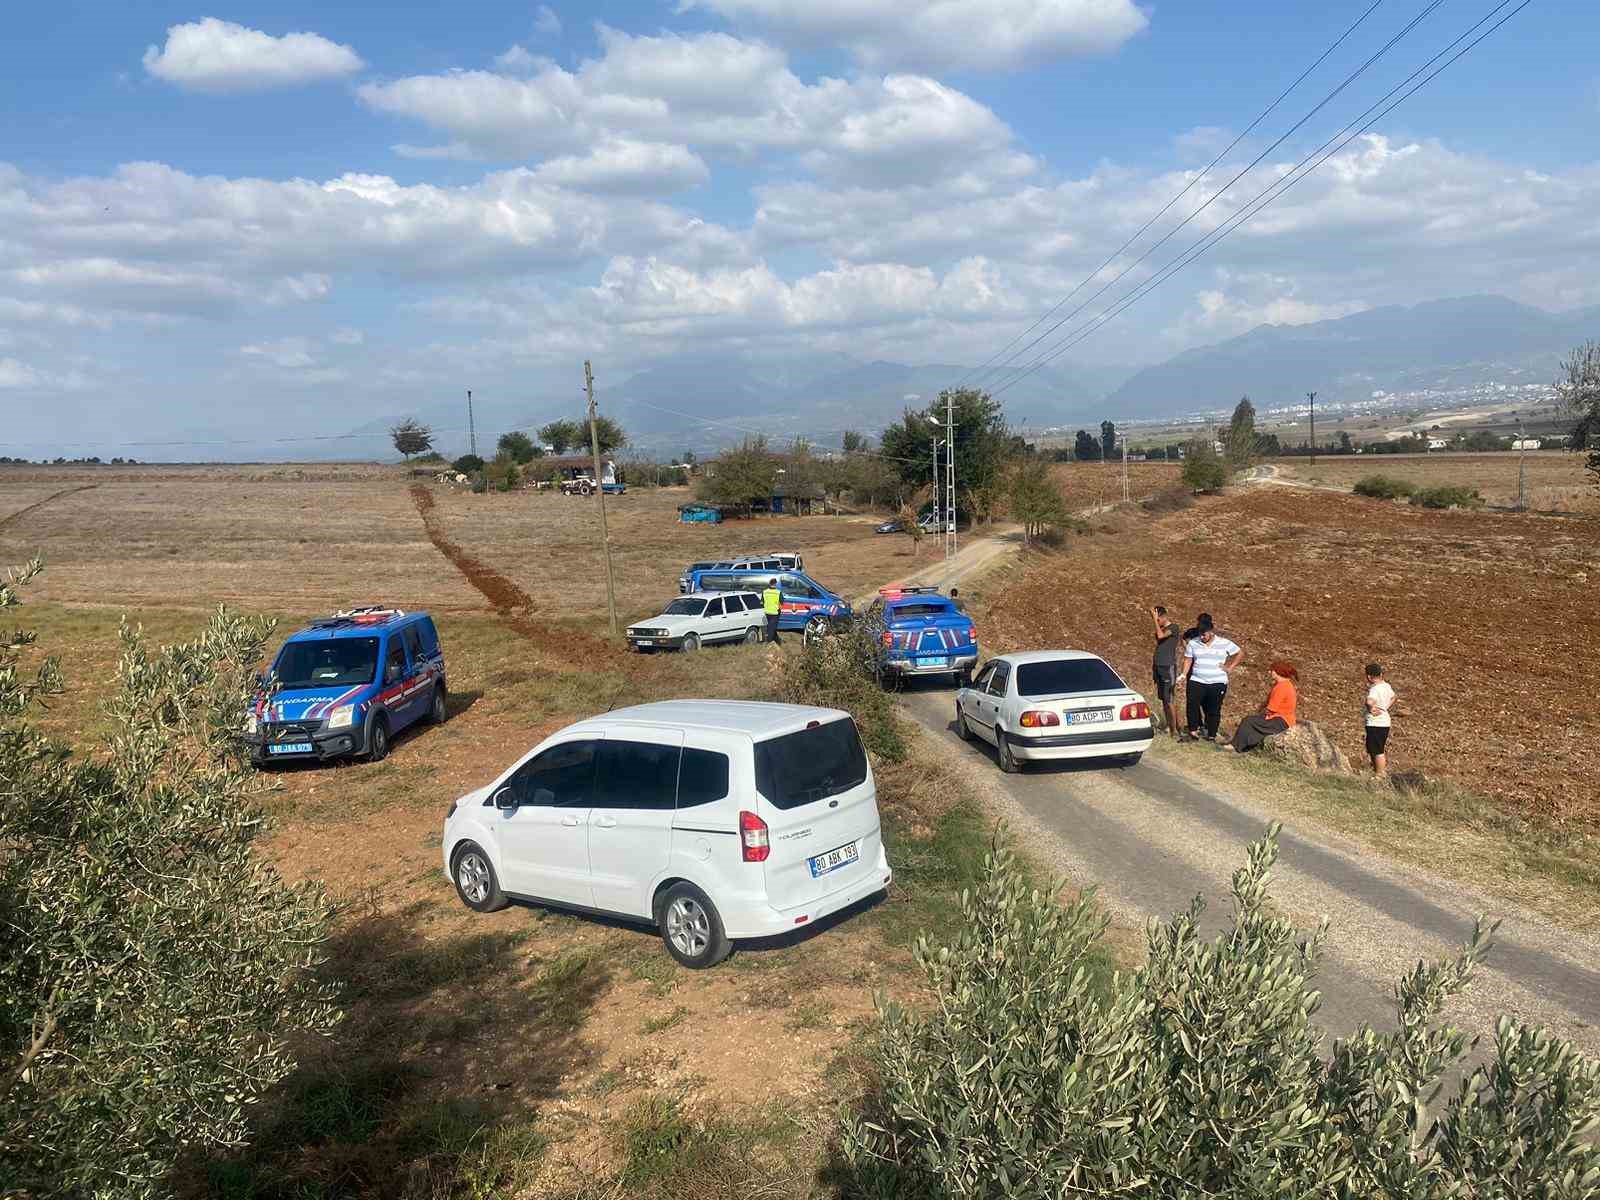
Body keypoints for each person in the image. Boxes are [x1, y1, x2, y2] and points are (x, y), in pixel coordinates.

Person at [1183, 615, 1241, 742]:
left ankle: (1211, 735)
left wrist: (1230, 668)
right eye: (1200, 635)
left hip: (1217, 682)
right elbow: (1188, 659)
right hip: (1197, 680)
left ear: (1210, 632)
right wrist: (1183, 674)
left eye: (1204, 635)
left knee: (1213, 708)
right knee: (1192, 704)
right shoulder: (1193, 643)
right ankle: (1193, 732)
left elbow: (1239, 652)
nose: (1202, 637)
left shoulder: (1224, 643)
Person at [1226, 661, 1298, 752]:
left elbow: (1272, 709)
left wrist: (1261, 714)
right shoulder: (1285, 685)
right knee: (1253, 721)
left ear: (1277, 672)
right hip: (1283, 720)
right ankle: (1243, 746)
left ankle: (1235, 746)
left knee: (1248, 721)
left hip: (1280, 721)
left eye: (1272, 670)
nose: (1270, 672)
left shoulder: (1282, 687)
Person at [1148, 605, 1180, 738]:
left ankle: (1175, 730)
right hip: (1159, 667)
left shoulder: (1173, 627)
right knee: (1163, 699)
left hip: (1168, 668)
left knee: (1169, 699)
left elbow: (1161, 636)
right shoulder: (1161, 628)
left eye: (1157, 619)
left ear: (1163, 616)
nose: (1156, 622)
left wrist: (1154, 619)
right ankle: (1169, 725)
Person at [1363, 662, 1396, 777]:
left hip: (1375, 723)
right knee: (1377, 748)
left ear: (1369, 676)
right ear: (1381, 674)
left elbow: (1369, 701)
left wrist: (1370, 708)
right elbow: (1393, 697)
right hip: (1385, 722)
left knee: (1377, 750)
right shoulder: (1386, 686)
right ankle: (1378, 772)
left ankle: (1379, 775)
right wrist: (1385, 708)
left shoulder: (1375, 689)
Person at [761, 578, 783, 644]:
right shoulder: (778, 592)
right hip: (774, 613)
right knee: (771, 628)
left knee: (770, 627)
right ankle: (769, 641)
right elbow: (781, 603)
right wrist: (779, 610)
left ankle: (776, 640)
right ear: (775, 584)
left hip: (766, 612)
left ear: (769, 584)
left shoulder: (764, 592)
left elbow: (761, 602)